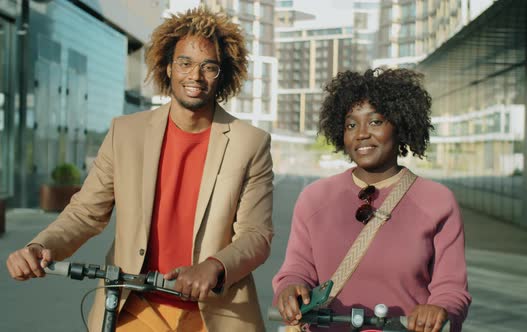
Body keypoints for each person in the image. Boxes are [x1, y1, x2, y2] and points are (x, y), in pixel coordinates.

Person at [6, 6, 273, 332]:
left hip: (214, 315)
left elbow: (256, 234)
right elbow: (85, 212)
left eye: (209, 67)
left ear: (223, 74)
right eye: (185, 63)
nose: (195, 76)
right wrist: (39, 246)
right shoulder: (125, 133)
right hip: (135, 306)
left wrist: (214, 266)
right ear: (167, 67)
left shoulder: (251, 142)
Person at [272, 68, 471, 332]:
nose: (361, 133)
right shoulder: (314, 198)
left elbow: (451, 287)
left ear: (400, 125)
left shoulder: (437, 201)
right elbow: (297, 269)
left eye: (375, 122)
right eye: (351, 124)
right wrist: (290, 289)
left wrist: (440, 309)